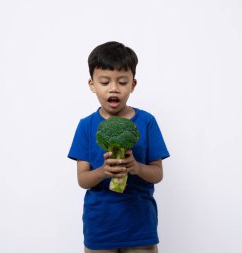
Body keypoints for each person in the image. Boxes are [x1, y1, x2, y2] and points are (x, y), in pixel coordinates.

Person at [68, 41, 170, 253]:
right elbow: (82, 179)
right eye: (104, 82)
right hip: (100, 227)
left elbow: (157, 173)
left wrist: (136, 167)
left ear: (133, 84)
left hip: (140, 226)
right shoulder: (86, 126)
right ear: (92, 84)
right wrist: (103, 172)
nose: (113, 88)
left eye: (122, 82)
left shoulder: (147, 121)